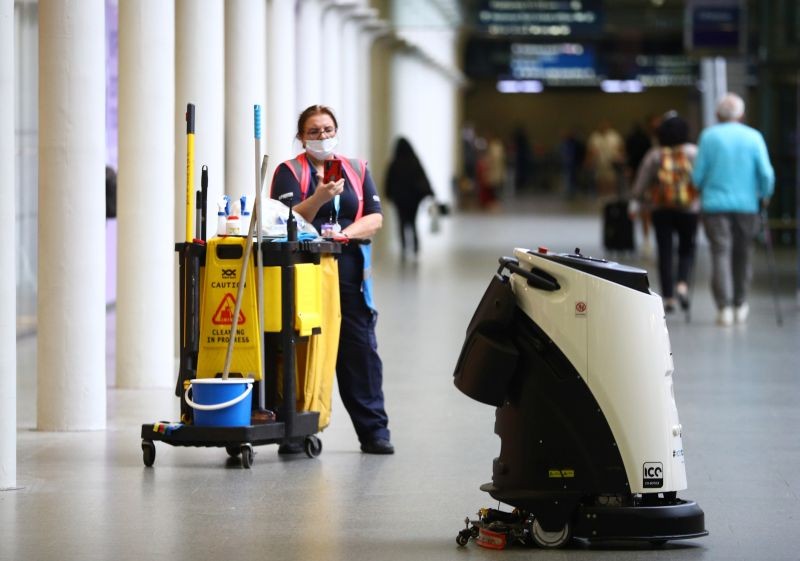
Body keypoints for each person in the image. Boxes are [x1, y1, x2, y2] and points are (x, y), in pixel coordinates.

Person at [270, 104, 393, 454]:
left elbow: (375, 218)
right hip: (305, 273)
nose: (322, 136)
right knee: (302, 350)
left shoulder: (356, 169)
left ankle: (374, 432)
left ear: (336, 131)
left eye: (327, 129)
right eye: (313, 131)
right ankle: (295, 429)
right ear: (301, 136)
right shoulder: (289, 172)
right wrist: (320, 197)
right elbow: (285, 220)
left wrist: (345, 234)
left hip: (350, 273)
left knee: (361, 352)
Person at [692, 93, 775, 326]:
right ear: (742, 114)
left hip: (715, 206)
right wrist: (765, 195)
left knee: (720, 253)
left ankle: (724, 308)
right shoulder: (754, 137)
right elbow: (766, 174)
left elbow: (697, 176)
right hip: (747, 206)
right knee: (744, 254)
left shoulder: (708, 137)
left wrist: (700, 187)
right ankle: (740, 303)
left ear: (718, 114)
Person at [629, 113, 699, 313]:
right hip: (689, 209)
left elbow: (641, 183)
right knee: (687, 248)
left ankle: (668, 297)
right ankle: (682, 284)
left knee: (665, 251)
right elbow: (701, 178)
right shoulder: (693, 152)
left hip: (660, 208)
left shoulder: (655, 154)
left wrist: (635, 200)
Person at [385, 137, 433, 261]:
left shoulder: (395, 163)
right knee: (412, 222)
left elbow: (389, 181)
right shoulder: (414, 161)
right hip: (413, 200)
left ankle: (404, 247)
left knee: (401, 223)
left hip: (399, 200)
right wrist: (429, 193)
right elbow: (423, 178)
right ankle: (416, 246)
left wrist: (388, 194)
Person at [586, 119, 625, 196]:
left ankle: (610, 196)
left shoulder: (614, 136)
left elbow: (621, 148)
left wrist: (621, 158)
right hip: (599, 163)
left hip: (612, 162)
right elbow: (590, 150)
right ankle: (601, 196)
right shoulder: (595, 137)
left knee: (611, 180)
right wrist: (589, 160)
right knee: (600, 180)